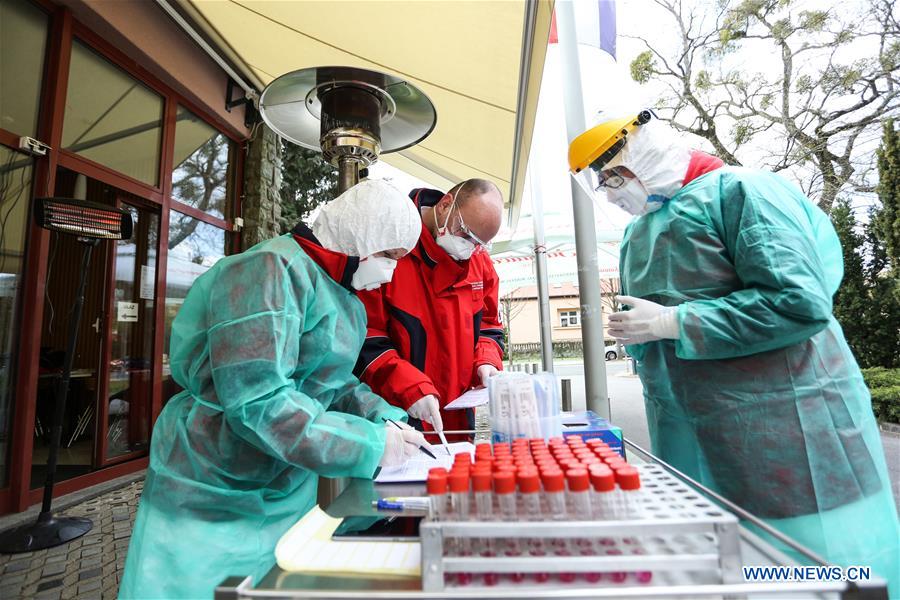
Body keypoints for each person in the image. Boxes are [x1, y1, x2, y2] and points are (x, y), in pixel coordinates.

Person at [568, 110, 900, 595]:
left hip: (787, 427)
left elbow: (799, 302)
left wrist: (672, 322)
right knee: (728, 568)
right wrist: (641, 335)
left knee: (814, 572)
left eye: (614, 175)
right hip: (686, 430)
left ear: (646, 153)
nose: (611, 192)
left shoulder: (744, 192)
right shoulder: (640, 231)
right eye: (601, 182)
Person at [119, 180, 428, 599]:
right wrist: (369, 445)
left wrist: (384, 415)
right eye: (389, 256)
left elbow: (329, 383)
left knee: (276, 582)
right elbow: (257, 400)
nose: (391, 271)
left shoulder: (341, 297)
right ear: (363, 235)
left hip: (283, 481)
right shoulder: (267, 271)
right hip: (212, 481)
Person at [354, 179, 505, 438]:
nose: (469, 247)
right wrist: (409, 387)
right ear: (445, 205)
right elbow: (366, 337)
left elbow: (489, 327)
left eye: (479, 243)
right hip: (398, 415)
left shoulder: (480, 261)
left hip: (458, 417)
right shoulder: (391, 246)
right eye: (465, 234)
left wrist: (486, 361)